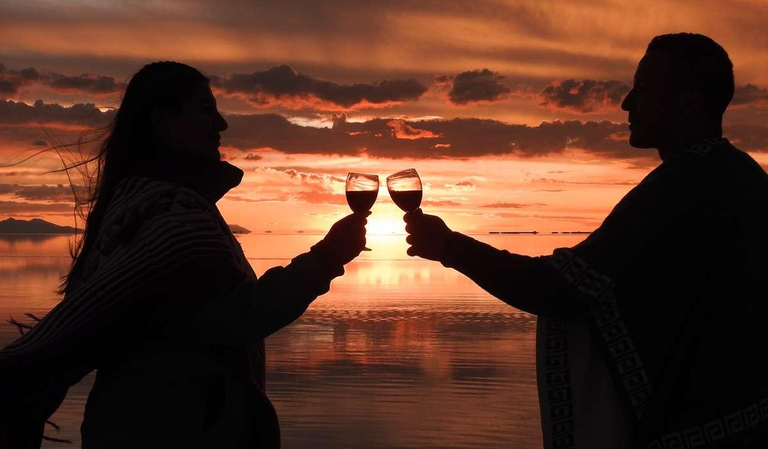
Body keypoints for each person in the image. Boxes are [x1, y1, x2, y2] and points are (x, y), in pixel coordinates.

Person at [404, 33, 768, 448]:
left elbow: (565, 288)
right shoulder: (744, 176)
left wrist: (452, 248)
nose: (626, 102)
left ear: (690, 100)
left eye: (644, 88)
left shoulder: (683, 184)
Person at [0, 61, 368, 448]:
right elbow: (237, 318)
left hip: (131, 424)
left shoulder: (135, 204)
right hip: (175, 429)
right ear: (163, 122)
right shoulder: (172, 214)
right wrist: (327, 258)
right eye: (206, 109)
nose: (222, 124)